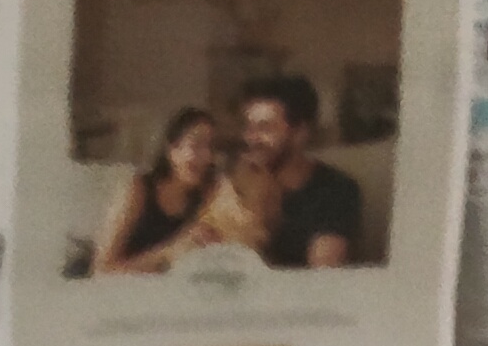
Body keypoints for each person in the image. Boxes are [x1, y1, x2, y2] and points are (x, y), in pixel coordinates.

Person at [238, 74, 361, 267]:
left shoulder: (336, 190)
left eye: (265, 128)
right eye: (248, 128)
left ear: (300, 133)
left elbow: (323, 273)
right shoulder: (237, 183)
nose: (251, 139)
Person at [90, 106, 231, 272]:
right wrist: (169, 253)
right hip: (122, 286)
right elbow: (101, 269)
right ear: (172, 149)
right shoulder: (138, 190)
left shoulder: (208, 194)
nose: (206, 157)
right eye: (196, 145)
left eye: (212, 147)